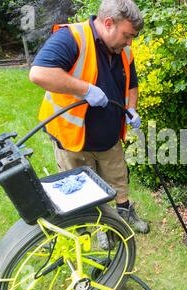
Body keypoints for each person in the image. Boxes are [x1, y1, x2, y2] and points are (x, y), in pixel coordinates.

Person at [29, 0, 149, 237]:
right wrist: (85, 89)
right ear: (108, 23)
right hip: (74, 139)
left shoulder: (124, 50)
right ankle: (98, 228)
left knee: (118, 180)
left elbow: (132, 84)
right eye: (127, 35)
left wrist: (132, 109)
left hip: (109, 137)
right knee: (84, 190)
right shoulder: (71, 38)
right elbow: (39, 73)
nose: (129, 42)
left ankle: (124, 213)